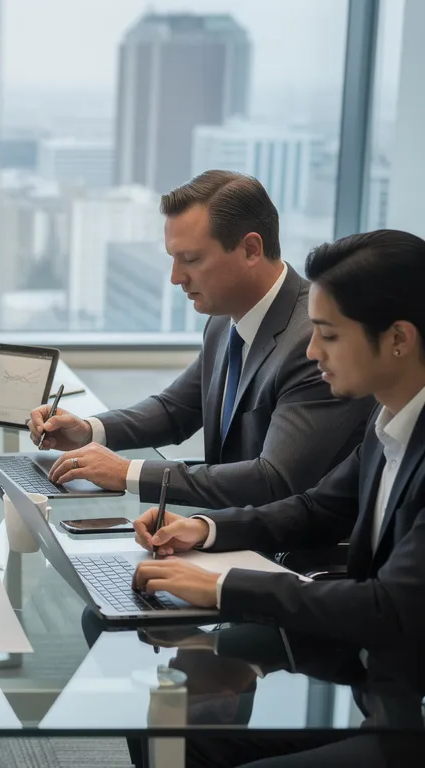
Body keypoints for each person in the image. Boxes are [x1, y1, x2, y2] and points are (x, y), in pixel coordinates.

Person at [130, 230, 425, 766]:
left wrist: (223, 586)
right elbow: (318, 508)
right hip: (377, 671)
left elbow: (390, 606)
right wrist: (206, 529)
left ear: (398, 338)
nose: (312, 352)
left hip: (408, 710)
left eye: (328, 335)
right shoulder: (389, 419)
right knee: (175, 721)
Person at [29, 170, 374, 509]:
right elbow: (175, 410)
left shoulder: (315, 343)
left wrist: (127, 472)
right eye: (172, 258)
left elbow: (273, 479)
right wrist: (89, 430)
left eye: (191, 259)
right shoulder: (224, 319)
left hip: (291, 540)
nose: (175, 277)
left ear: (251, 249)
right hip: (225, 527)